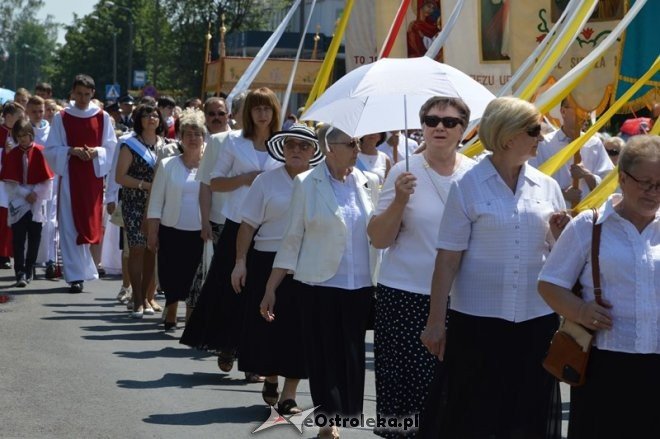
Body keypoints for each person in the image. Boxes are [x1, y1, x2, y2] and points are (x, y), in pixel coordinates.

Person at [421, 96, 568, 438]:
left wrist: (560, 236)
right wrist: (435, 322)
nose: (541, 137)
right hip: (477, 323)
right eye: (534, 129)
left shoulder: (547, 186)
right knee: (474, 415)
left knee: (527, 414)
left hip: (535, 322)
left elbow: (559, 257)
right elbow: (447, 260)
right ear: (507, 135)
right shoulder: (467, 185)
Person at [261, 124, 380, 439]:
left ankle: (346, 413)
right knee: (323, 355)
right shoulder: (306, 183)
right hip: (318, 284)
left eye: (357, 142)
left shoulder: (370, 182)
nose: (358, 148)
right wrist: (271, 287)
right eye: (351, 143)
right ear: (330, 148)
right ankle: (328, 422)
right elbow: (292, 238)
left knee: (351, 355)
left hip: (361, 284)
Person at [538, 134, 660, 438]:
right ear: (622, 177)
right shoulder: (589, 226)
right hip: (605, 363)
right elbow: (549, 284)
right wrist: (580, 309)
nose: (653, 192)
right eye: (645, 182)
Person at [368, 97, 476, 438]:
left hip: (459, 299)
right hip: (405, 296)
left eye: (449, 121)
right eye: (431, 120)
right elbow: (378, 238)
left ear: (464, 129)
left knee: (451, 395)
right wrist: (399, 200)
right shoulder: (404, 170)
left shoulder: (475, 173)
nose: (439, 127)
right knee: (409, 399)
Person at [180, 87, 282, 382]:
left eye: (267, 108)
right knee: (231, 291)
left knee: (261, 294)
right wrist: (245, 179)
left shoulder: (281, 144)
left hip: (272, 228)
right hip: (239, 223)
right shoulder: (235, 144)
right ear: (248, 112)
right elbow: (215, 182)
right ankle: (227, 344)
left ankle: (254, 360)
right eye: (257, 108)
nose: (262, 114)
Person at [231, 124, 323, 414]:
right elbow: (247, 225)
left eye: (303, 145)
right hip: (266, 260)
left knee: (300, 331)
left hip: (305, 264)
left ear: (313, 151)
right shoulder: (265, 182)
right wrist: (240, 262)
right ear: (282, 149)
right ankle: (270, 376)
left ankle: (289, 395)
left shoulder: (320, 182)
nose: (296, 150)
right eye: (291, 144)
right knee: (267, 327)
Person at [44, 74, 117, 293]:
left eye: (87, 94)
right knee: (69, 225)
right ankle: (75, 275)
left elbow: (111, 147)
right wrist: (71, 151)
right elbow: (51, 149)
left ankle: (85, 270)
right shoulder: (62, 117)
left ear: (93, 94)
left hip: (92, 178)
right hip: (69, 178)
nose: (83, 98)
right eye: (79, 94)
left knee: (89, 224)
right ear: (72, 93)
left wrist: (98, 152)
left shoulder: (102, 116)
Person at [115, 104, 178, 318]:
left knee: (152, 248)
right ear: (138, 120)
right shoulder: (129, 145)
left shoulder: (168, 145)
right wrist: (146, 185)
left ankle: (148, 297)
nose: (151, 118)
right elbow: (120, 177)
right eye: (146, 115)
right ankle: (137, 300)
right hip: (135, 202)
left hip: (159, 203)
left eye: (154, 114)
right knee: (137, 249)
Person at [147, 108, 205, 330]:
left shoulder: (211, 165)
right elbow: (155, 202)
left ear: (203, 137)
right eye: (188, 133)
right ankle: (171, 309)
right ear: (180, 137)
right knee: (170, 273)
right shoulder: (167, 165)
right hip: (171, 229)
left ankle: (190, 316)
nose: (193, 138)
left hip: (200, 230)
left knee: (194, 276)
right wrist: (153, 232)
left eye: (197, 133)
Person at [529, 98, 614, 207]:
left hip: (588, 216)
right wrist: (562, 194)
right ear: (563, 111)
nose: (584, 115)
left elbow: (609, 184)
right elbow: (532, 182)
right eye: (578, 109)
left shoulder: (594, 143)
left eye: (586, 110)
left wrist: (587, 175)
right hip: (556, 218)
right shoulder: (544, 144)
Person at [0, 119, 54, 286]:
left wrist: (35, 193)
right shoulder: (13, 154)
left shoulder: (40, 152)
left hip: (37, 200)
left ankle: (30, 267)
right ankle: (20, 271)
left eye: (26, 135)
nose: (23, 139)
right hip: (19, 199)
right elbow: (10, 182)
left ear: (32, 135)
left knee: (35, 236)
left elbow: (47, 180)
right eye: (20, 135)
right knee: (18, 237)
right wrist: (25, 193)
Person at [0, 102, 25, 269]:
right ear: (8, 117)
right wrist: (4, 153)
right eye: (19, 117)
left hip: (16, 183)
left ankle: (9, 252)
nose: (21, 120)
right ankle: (2, 254)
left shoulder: (19, 133)